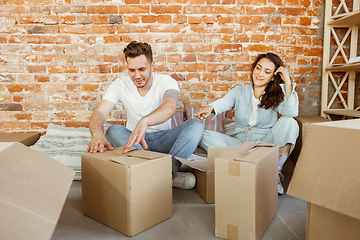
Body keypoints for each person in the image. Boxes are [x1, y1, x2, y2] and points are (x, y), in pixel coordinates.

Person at [87, 41, 204, 190]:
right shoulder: (120, 84)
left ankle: (168, 171)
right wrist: (97, 134)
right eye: (132, 70)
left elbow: (169, 107)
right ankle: (164, 178)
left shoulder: (167, 82)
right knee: (113, 131)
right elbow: (99, 112)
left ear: (152, 66)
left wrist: (145, 121)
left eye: (142, 69)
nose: (137, 76)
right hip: (135, 145)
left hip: (163, 141)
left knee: (195, 126)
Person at [195, 52, 299, 194]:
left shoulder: (277, 94)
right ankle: (249, 164)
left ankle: (275, 171)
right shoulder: (240, 91)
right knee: (202, 134)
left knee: (290, 122)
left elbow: (291, 112)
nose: (260, 74)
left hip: (264, 144)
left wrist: (287, 81)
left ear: (273, 76)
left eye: (267, 71)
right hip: (239, 144)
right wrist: (210, 108)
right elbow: (224, 102)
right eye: (258, 68)